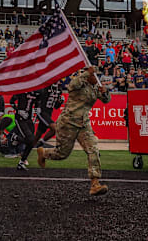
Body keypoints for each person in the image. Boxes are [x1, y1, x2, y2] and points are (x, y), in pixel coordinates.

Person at [38, 67, 111, 196]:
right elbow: (72, 85)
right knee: (62, 154)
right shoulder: (79, 83)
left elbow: (106, 100)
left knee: (93, 149)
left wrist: (105, 92)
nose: (97, 78)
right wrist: (87, 73)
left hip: (83, 123)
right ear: (88, 76)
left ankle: (95, 183)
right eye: (94, 75)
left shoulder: (95, 88)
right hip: (68, 122)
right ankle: (44, 153)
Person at [10, 90, 40, 170]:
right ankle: (15, 137)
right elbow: (12, 101)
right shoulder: (22, 90)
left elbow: (37, 103)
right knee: (30, 139)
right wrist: (18, 110)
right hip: (20, 118)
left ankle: (22, 162)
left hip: (28, 119)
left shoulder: (35, 92)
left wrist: (37, 110)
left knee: (32, 141)